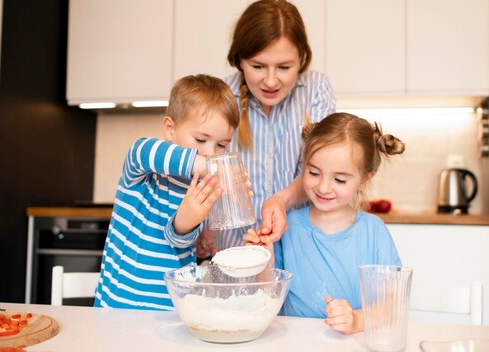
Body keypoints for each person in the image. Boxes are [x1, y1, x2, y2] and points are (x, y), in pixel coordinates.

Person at [196, 0, 336, 257]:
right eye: (258, 66)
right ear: (239, 60)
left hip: (299, 253)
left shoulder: (316, 89)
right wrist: (201, 225)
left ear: (302, 58)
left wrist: (281, 200)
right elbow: (201, 167)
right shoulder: (221, 96)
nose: (271, 81)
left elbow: (323, 169)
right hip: (232, 253)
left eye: (284, 67)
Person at [244, 112, 405, 334]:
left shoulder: (373, 231)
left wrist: (356, 320)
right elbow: (268, 296)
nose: (323, 187)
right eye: (313, 173)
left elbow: (391, 306)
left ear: (365, 179)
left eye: (339, 179)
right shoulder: (288, 227)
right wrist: (264, 257)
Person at [94, 74, 240, 310]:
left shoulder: (201, 188)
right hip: (119, 308)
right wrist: (210, 166)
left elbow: (176, 239)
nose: (211, 152)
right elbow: (142, 149)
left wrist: (194, 228)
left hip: (172, 311)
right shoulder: (144, 167)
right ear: (170, 128)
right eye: (201, 139)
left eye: (222, 145)